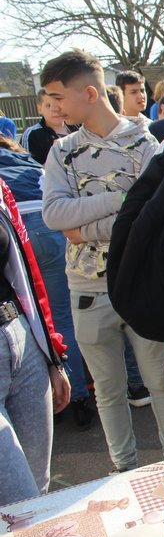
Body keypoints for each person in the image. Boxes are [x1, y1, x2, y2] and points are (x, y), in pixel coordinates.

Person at [40, 49, 164, 472]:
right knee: (108, 389)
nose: (52, 106)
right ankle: (125, 469)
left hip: (141, 282)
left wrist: (86, 226)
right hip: (87, 287)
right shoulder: (61, 152)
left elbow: (152, 216)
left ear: (87, 93)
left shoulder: (145, 144)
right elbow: (54, 216)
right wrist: (119, 199)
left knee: (161, 379)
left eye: (56, 96)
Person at [0, 136, 93, 427]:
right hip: (45, 227)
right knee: (59, 316)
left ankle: (54, 392)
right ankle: (77, 396)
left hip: (19, 228)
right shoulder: (25, 160)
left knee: (32, 312)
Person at [0, 173, 71, 505]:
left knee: (38, 493)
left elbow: (23, 270)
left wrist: (51, 357)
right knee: (19, 503)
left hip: (20, 338)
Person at [20, 89, 80, 165]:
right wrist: (56, 153)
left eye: (59, 105)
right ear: (40, 109)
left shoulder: (79, 127)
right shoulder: (32, 134)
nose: (55, 110)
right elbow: (30, 169)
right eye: (48, 106)